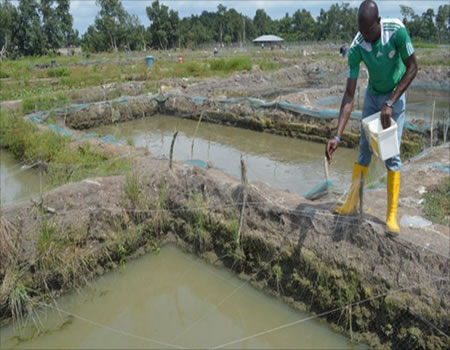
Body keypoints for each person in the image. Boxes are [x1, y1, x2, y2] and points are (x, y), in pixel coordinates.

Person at [325, 0, 418, 235]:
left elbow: (413, 68)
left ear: (378, 22)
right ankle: (351, 204)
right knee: (364, 149)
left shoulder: (396, 31)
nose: (365, 36)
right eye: (361, 31)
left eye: (369, 31)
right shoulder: (357, 47)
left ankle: (391, 216)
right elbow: (348, 94)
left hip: (394, 97)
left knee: (391, 154)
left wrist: (391, 101)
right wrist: (337, 135)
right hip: (373, 97)